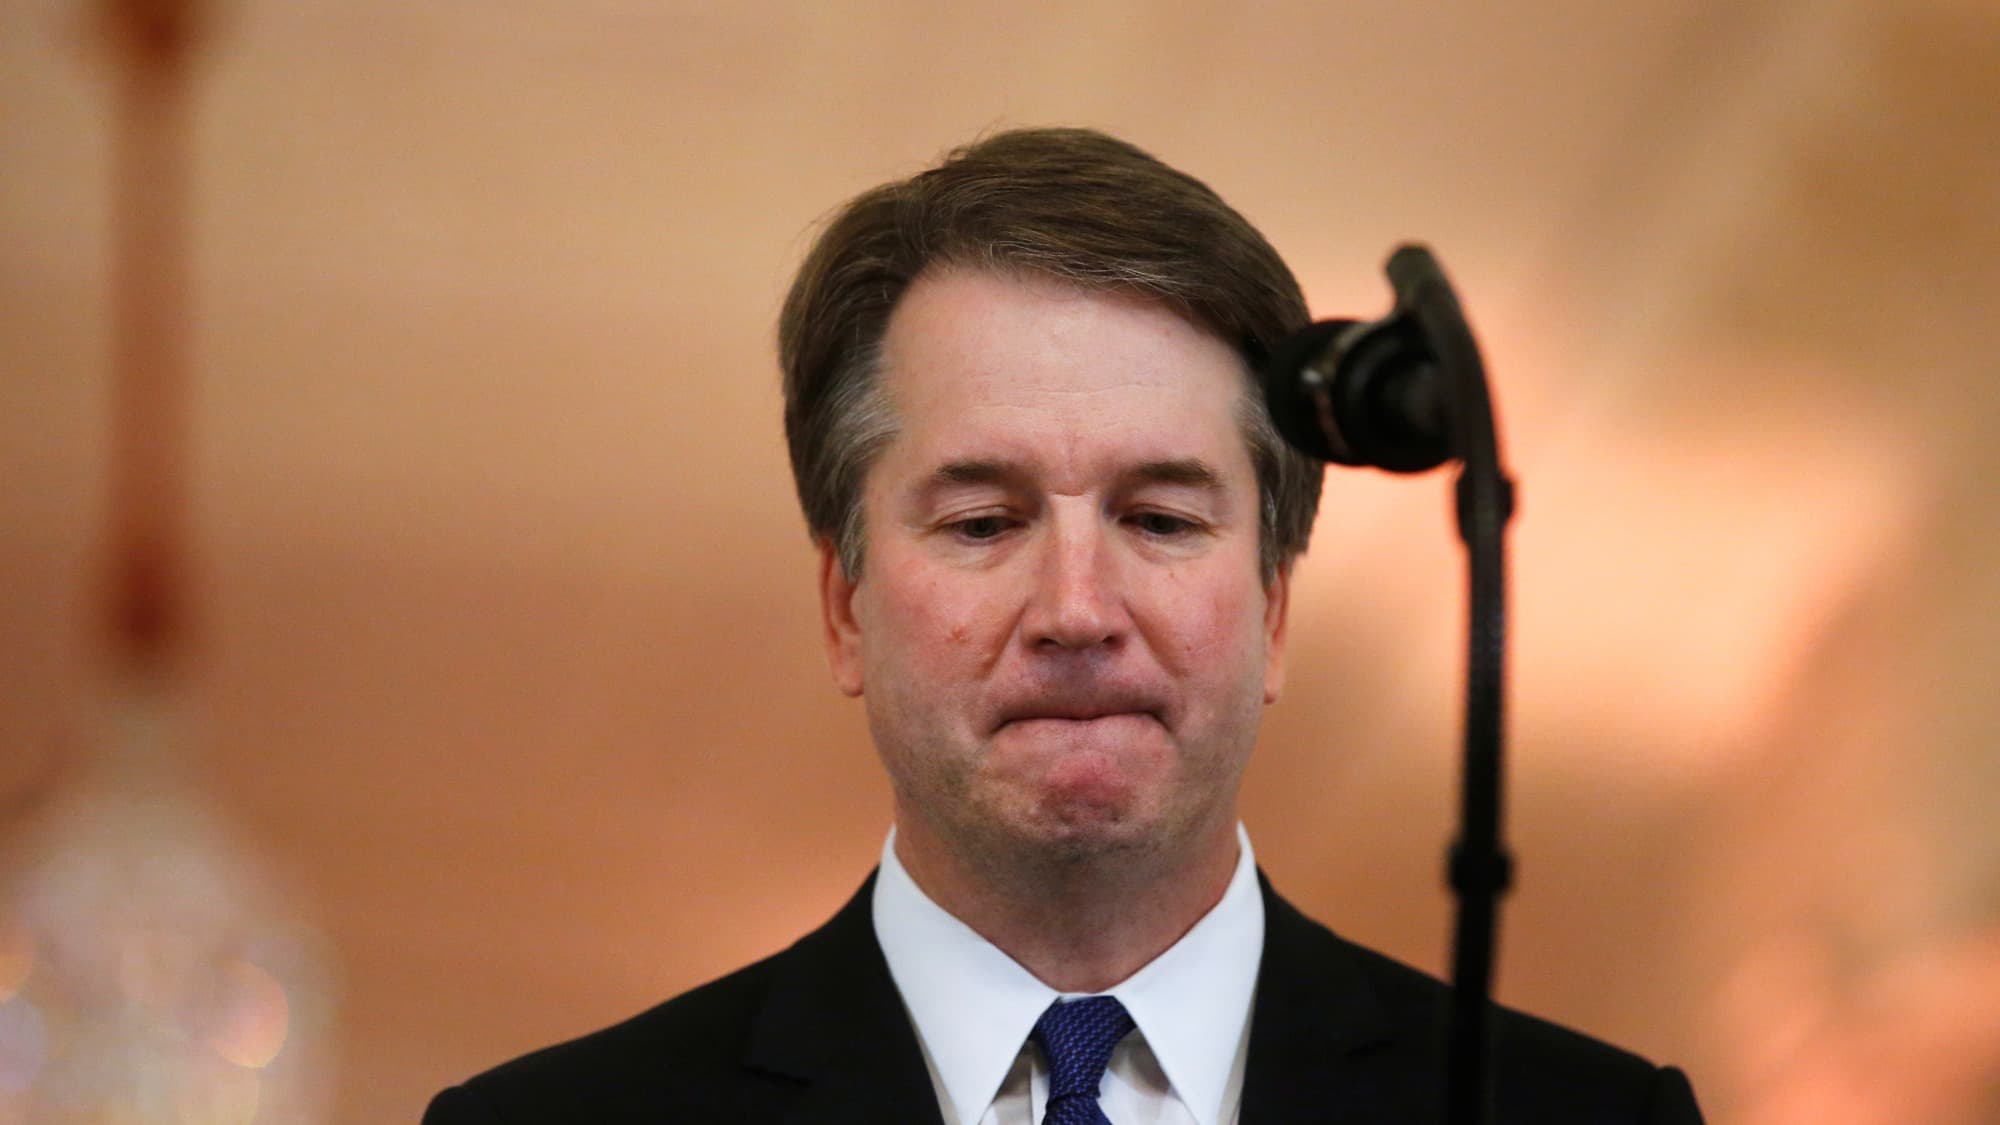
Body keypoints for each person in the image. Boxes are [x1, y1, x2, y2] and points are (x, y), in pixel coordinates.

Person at [423, 127, 1703, 1124]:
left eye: (1158, 518)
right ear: (842, 607)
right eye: (983, 523)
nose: (1078, 613)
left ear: (1273, 603)